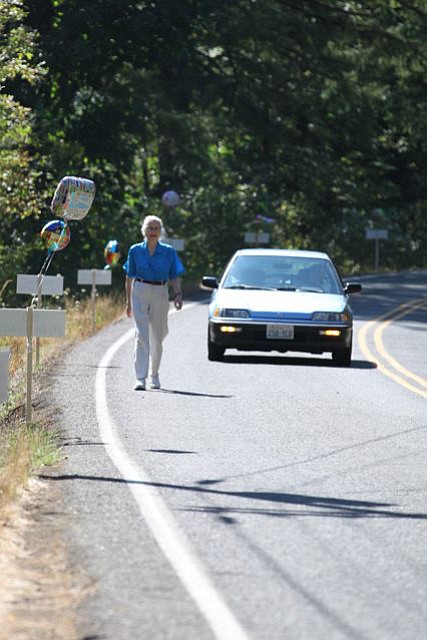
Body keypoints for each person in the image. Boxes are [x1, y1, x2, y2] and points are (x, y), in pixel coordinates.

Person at [123, 215, 185, 390]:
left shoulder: (168, 251)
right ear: (144, 230)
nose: (153, 232)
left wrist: (178, 294)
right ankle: (140, 378)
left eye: (156, 228)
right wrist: (128, 301)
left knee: (157, 337)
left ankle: (154, 374)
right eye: (150, 228)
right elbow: (129, 277)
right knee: (141, 335)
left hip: (160, 291)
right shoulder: (135, 250)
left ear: (161, 232)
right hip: (140, 290)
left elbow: (174, 275)